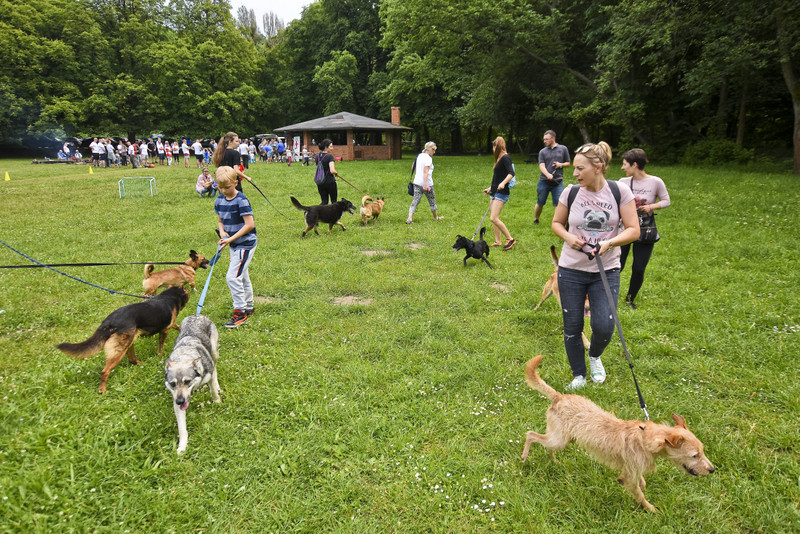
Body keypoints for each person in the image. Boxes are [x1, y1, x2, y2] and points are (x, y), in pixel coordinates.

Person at [550, 142, 640, 391]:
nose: (575, 174)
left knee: (603, 324)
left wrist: (610, 242)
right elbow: (557, 223)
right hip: (570, 270)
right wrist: (570, 238)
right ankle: (578, 374)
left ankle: (595, 356)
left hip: (606, 269)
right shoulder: (571, 192)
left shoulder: (619, 191)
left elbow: (634, 229)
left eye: (580, 168)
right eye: (574, 169)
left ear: (598, 167)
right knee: (572, 325)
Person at [618, 148, 670, 309]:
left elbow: (666, 200)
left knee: (639, 268)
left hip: (645, 230)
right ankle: (606, 295)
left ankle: (630, 299)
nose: (622, 167)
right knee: (617, 265)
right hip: (624, 229)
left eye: (625, 164)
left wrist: (651, 206)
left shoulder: (655, 182)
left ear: (634, 165)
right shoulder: (622, 182)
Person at [214, 166, 257, 328]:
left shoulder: (242, 200)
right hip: (233, 243)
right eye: (220, 187)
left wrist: (230, 238)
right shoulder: (219, 199)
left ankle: (240, 312)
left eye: (227, 187)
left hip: (245, 244)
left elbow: (249, 225)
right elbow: (220, 221)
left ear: (236, 182)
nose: (224, 190)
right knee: (242, 275)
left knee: (232, 277)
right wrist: (223, 234)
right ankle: (249, 306)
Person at [482, 136, 516, 250]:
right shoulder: (499, 158)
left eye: (493, 146)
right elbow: (497, 177)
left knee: (493, 218)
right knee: (494, 218)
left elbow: (511, 173)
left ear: (497, 146)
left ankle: (510, 239)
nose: (493, 148)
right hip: (495, 192)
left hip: (502, 193)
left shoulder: (506, 157)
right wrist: (490, 188)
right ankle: (497, 241)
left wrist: (503, 183)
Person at [535, 130, 571, 225]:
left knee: (559, 204)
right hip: (544, 181)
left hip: (558, 182)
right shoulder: (542, 152)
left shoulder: (563, 149)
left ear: (553, 139)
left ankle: (558, 222)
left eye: (546, 139)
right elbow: (541, 166)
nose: (544, 141)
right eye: (544, 139)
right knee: (540, 203)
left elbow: (568, 163)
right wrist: (547, 175)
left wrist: (560, 165)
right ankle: (536, 219)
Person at [406, 141, 443, 224]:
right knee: (432, 200)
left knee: (415, 200)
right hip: (427, 184)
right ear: (431, 149)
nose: (434, 152)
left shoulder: (419, 156)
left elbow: (413, 167)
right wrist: (425, 184)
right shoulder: (428, 159)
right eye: (434, 150)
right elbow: (426, 172)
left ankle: (409, 218)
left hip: (416, 182)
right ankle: (436, 217)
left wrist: (418, 173)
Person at [314, 138, 338, 204]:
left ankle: (320, 213)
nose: (332, 148)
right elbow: (332, 170)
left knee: (324, 201)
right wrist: (336, 173)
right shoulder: (329, 156)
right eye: (331, 146)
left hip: (320, 182)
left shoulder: (317, 156)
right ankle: (333, 214)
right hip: (330, 181)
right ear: (326, 147)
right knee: (334, 201)